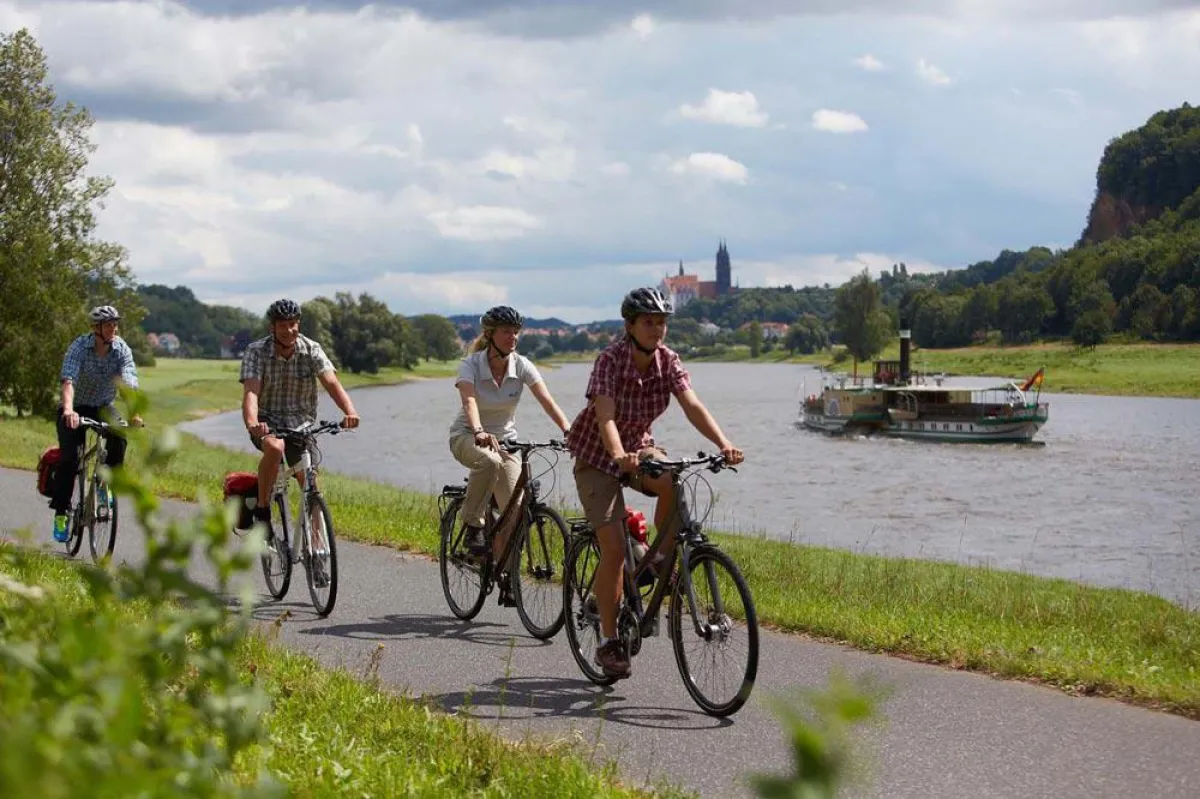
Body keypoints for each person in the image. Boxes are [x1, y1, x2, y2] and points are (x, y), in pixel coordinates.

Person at [565, 287, 744, 679]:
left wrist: (724, 443)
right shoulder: (610, 360)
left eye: (662, 322)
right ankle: (610, 641)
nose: (657, 329)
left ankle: (658, 560)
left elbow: (692, 405)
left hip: (640, 450)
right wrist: (616, 455)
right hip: (598, 457)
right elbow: (605, 416)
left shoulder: (668, 361)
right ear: (629, 326)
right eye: (648, 322)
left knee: (673, 481)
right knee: (612, 548)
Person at [448, 305, 572, 585]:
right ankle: (471, 524)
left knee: (514, 511)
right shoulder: (472, 364)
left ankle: (505, 573)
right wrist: (479, 430)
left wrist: (568, 429)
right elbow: (468, 401)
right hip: (467, 436)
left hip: (505, 442)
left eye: (516, 332)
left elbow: (547, 401)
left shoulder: (522, 365)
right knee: (488, 461)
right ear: (490, 334)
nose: (513, 337)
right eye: (507, 332)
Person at [239, 299, 360, 534]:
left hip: (301, 425)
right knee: (274, 448)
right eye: (283, 325)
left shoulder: (311, 349)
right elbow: (251, 392)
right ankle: (263, 510)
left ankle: (317, 549)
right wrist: (252, 423)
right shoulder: (256, 352)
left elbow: (331, 382)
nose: (289, 330)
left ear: (299, 324)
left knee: (312, 484)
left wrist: (350, 412)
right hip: (267, 421)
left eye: (293, 324)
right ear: (272, 328)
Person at [50, 305, 144, 542]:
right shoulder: (80, 347)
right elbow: (68, 380)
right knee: (70, 459)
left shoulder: (121, 349)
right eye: (108, 325)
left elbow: (128, 382)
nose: (113, 328)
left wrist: (133, 412)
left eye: (115, 324)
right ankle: (61, 513)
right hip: (74, 406)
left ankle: (103, 485)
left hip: (102, 406)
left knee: (120, 436)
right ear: (96, 328)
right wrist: (69, 410)